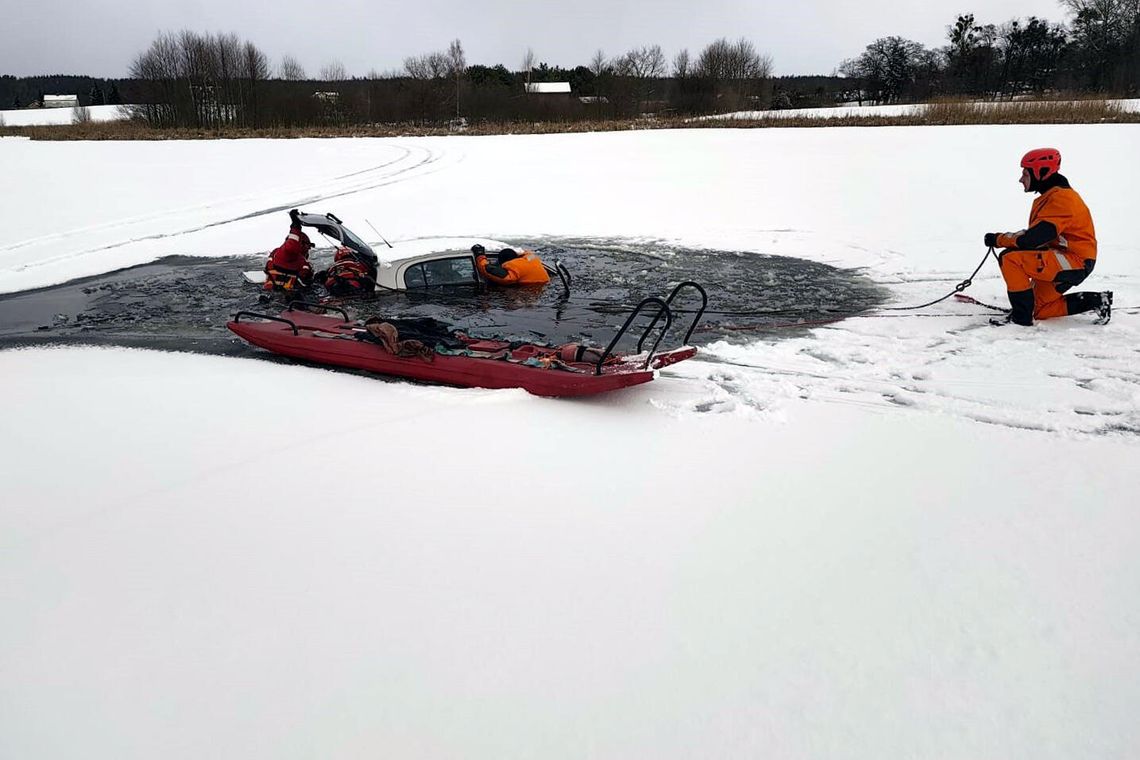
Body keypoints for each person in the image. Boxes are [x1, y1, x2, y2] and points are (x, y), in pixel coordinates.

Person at [985, 148, 1111, 326]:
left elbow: (1032, 239)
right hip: (1066, 258)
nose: (1021, 179)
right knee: (1039, 310)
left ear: (1041, 172)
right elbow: (1035, 238)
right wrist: (1005, 240)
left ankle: (1021, 319)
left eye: (1025, 174)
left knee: (1010, 259)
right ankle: (1097, 301)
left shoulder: (1062, 199)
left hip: (1073, 261)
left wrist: (999, 239)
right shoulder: (1053, 196)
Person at [263, 209, 314, 293]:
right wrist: (296, 226)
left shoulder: (278, 253)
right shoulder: (290, 254)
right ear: (300, 244)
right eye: (307, 246)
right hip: (286, 297)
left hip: (274, 293)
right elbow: (292, 245)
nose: (308, 249)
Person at [471, 243, 550, 285]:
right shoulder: (532, 258)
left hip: (529, 290)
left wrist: (480, 255)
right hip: (545, 286)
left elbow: (486, 268)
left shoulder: (513, 271)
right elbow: (526, 252)